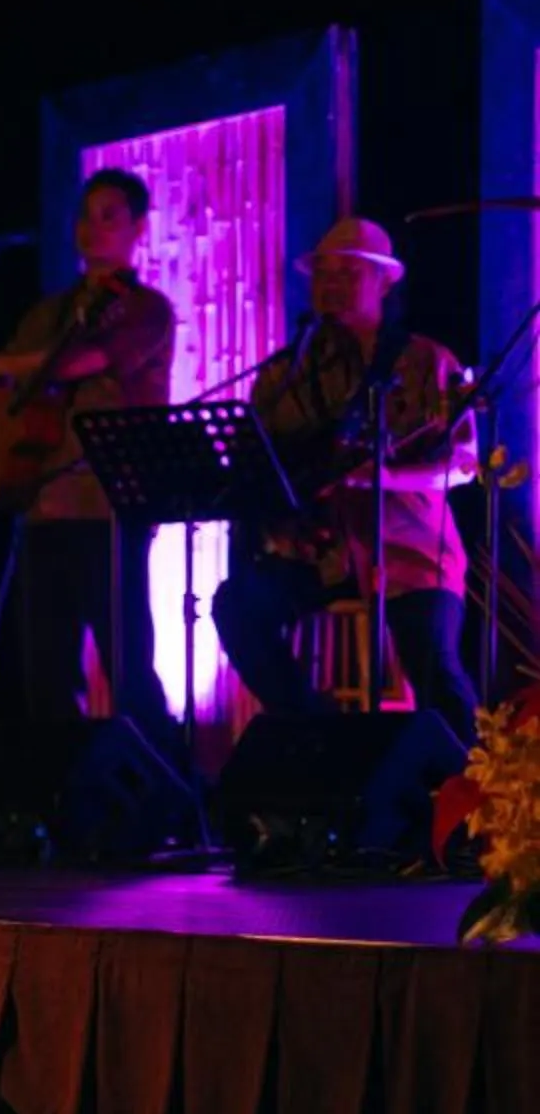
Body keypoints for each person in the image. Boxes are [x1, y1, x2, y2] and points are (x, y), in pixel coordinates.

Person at [0, 167, 180, 756]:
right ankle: (67, 798)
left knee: (127, 668)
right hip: (43, 504)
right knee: (45, 669)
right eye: (85, 216)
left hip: (109, 504)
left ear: (139, 229)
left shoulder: (145, 309)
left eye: (109, 216)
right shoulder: (50, 312)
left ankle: (174, 793)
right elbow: (16, 388)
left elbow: (65, 365)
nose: (92, 229)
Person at [214, 217, 482, 733]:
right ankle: (317, 732)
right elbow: (256, 460)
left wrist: (384, 480)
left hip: (411, 549)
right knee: (238, 605)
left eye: (348, 273)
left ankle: (472, 784)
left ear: (385, 283)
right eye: (322, 275)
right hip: (321, 552)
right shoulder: (284, 373)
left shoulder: (427, 361)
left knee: (433, 663)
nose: (331, 285)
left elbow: (462, 465)